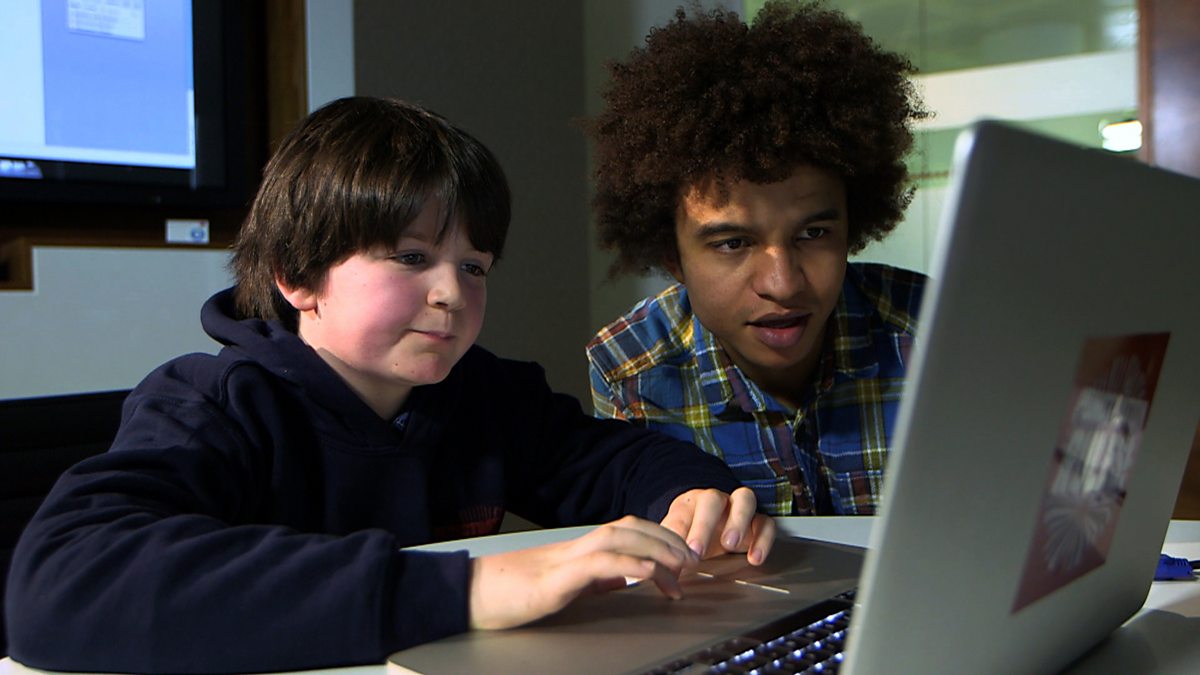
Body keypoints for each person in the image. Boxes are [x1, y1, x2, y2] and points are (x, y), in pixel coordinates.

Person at [4, 96, 775, 673]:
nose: (451, 293)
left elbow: (610, 458)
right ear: (299, 276)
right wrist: (470, 589)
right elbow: (61, 583)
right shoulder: (211, 401)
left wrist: (689, 494)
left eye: (474, 266)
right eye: (411, 258)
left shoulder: (485, 395)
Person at [584, 1, 930, 517]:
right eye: (733, 243)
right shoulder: (632, 371)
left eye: (813, 233)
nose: (782, 284)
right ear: (672, 256)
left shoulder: (935, 332)